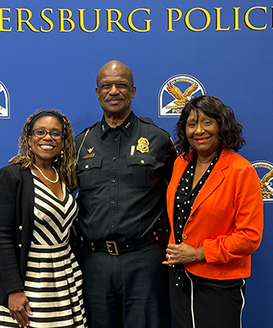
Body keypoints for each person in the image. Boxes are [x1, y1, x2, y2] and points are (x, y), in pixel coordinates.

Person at [75, 60, 176, 328]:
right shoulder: (80, 143)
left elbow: (181, 196)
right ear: (97, 93)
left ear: (133, 91)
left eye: (121, 85)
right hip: (94, 263)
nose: (113, 91)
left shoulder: (158, 139)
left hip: (143, 260)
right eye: (106, 86)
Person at [163, 95, 263, 328]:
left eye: (207, 122)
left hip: (218, 282)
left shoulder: (241, 170)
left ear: (221, 125)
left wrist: (199, 253)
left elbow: (250, 237)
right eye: (191, 124)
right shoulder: (181, 162)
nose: (198, 131)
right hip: (178, 278)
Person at [0, 110, 87, 328]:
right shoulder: (12, 175)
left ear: (63, 142)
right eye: (40, 132)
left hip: (66, 278)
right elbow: (2, 237)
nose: (47, 138)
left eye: (55, 133)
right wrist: (13, 289)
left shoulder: (64, 176)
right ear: (29, 139)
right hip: (30, 279)